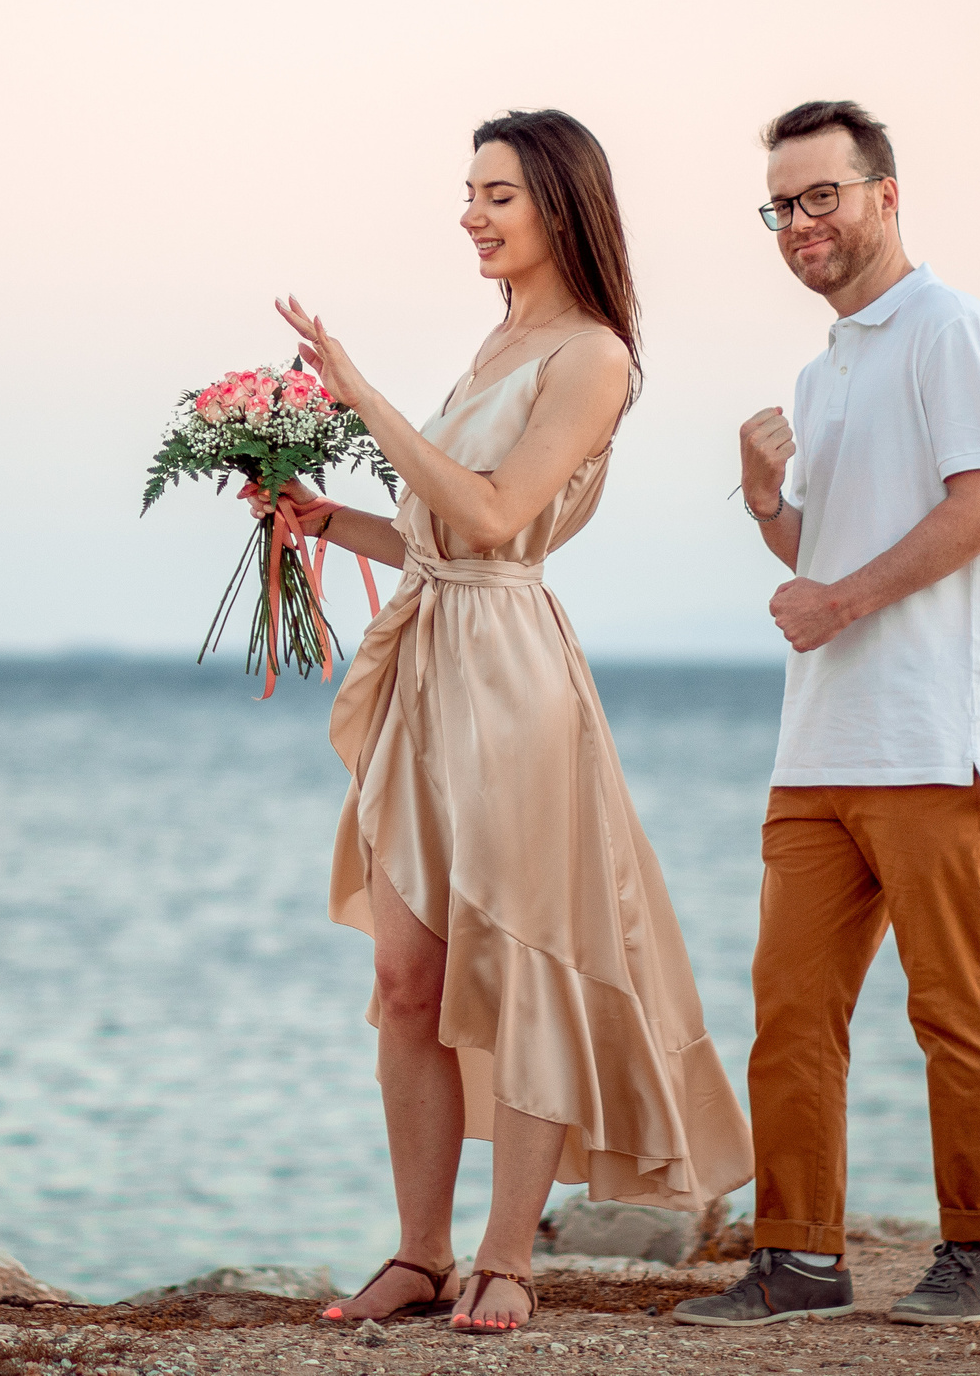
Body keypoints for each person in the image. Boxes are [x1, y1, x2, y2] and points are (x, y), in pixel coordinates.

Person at [258, 110, 752, 1336]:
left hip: (511, 683)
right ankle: (418, 1254)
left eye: (497, 196)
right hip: (430, 658)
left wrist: (357, 390)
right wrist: (328, 521)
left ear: (559, 208)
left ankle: (506, 1258)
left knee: (522, 960)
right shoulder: (496, 343)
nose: (472, 215)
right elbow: (437, 530)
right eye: (468, 192)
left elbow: (494, 518)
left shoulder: (592, 355)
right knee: (405, 972)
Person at [673, 100, 980, 1331]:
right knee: (790, 1010)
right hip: (817, 744)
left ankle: (977, 1254)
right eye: (781, 204)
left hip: (935, 733)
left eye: (820, 195)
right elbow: (811, 549)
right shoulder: (819, 371)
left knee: (954, 1005)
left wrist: (839, 600)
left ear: (885, 194)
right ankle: (798, 1261)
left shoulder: (948, 329)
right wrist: (766, 499)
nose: (799, 224)